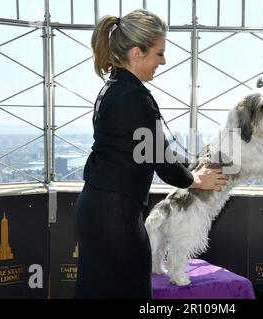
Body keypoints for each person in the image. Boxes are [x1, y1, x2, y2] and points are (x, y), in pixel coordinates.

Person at [74, 9, 229, 299]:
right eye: (159, 53)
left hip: (98, 209)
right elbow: (161, 160)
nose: (163, 61)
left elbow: (151, 150)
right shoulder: (134, 97)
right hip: (115, 215)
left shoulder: (114, 88)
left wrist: (191, 170)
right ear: (137, 53)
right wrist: (197, 179)